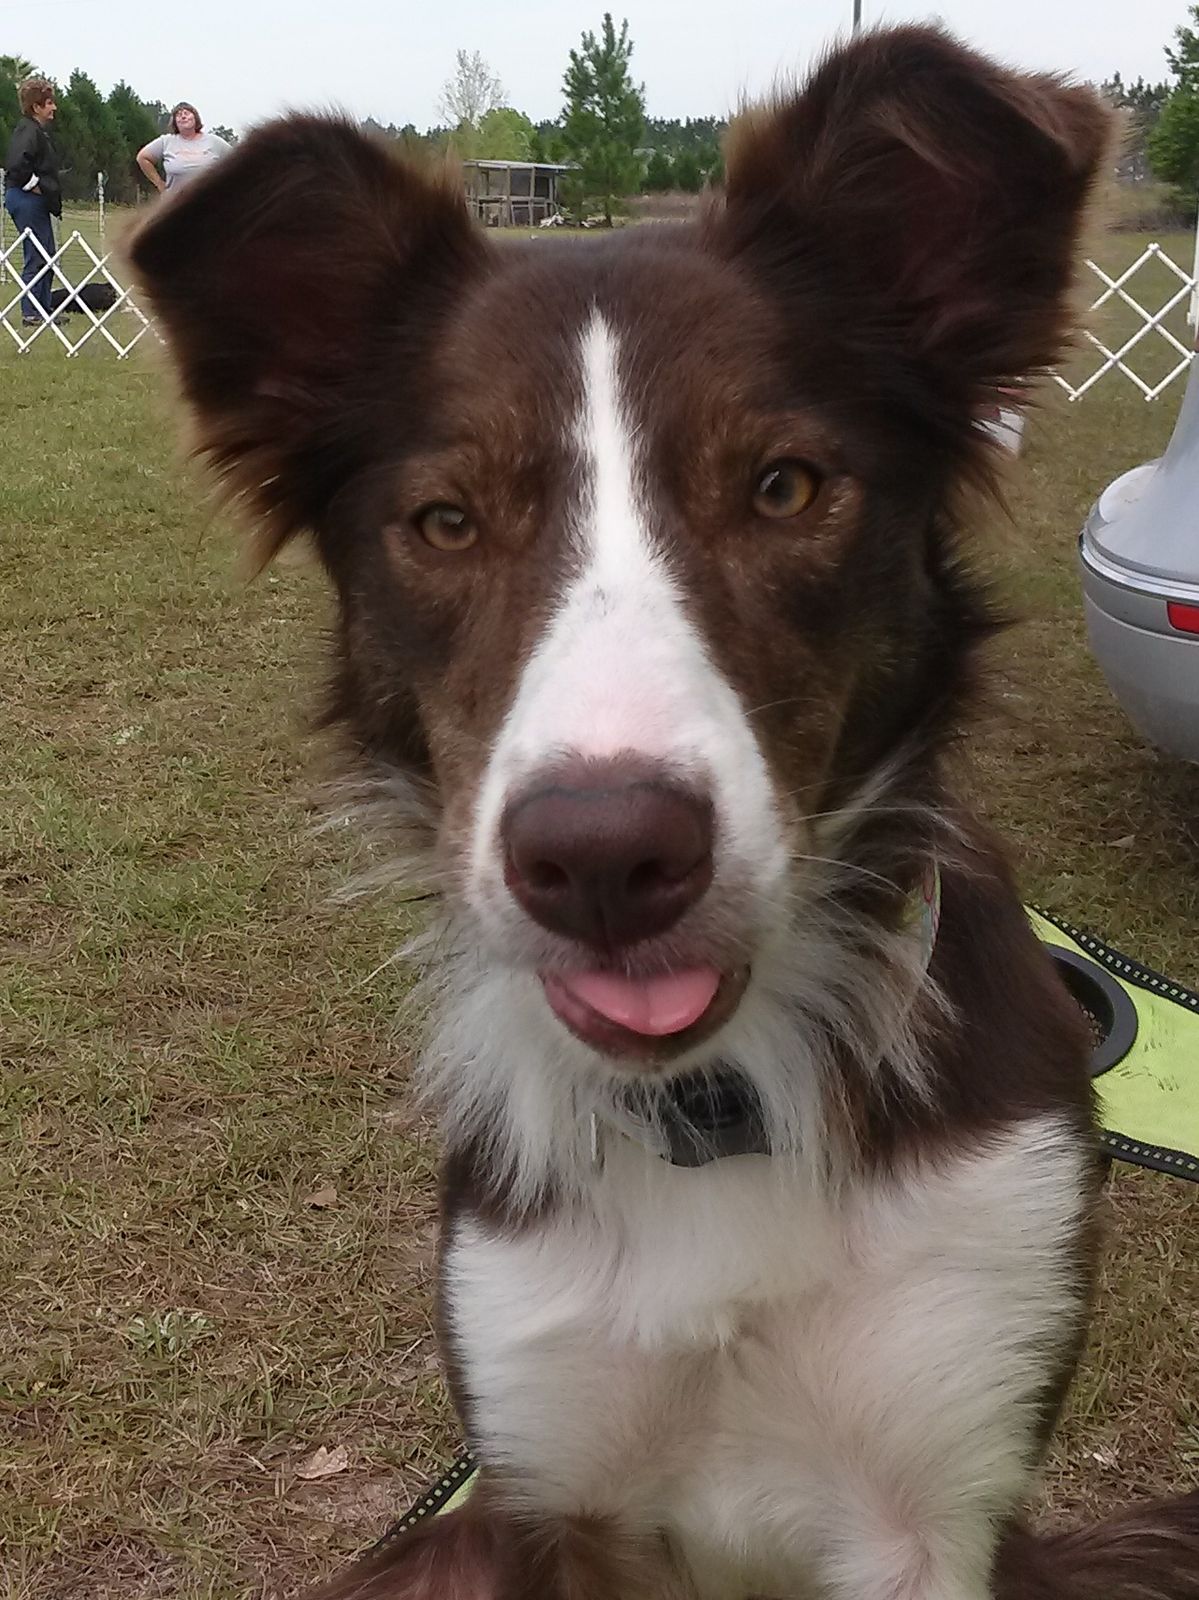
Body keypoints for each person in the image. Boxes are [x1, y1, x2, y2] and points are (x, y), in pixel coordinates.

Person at [4, 78, 61, 327]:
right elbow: (17, 165)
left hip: (31, 200)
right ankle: (31, 312)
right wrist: (34, 185)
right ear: (36, 107)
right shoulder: (28, 131)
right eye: (49, 103)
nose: (54, 107)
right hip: (26, 199)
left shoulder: (35, 131)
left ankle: (44, 308)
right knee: (37, 255)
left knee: (47, 254)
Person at [136, 104, 231, 195]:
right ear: (174, 122)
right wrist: (159, 183)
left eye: (187, 113)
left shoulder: (213, 141)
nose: (183, 116)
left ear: (195, 118)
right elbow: (142, 158)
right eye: (179, 115)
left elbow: (236, 161)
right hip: (175, 202)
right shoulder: (166, 141)